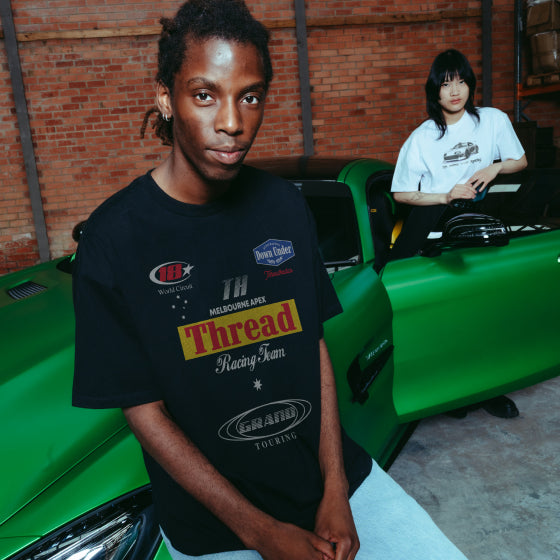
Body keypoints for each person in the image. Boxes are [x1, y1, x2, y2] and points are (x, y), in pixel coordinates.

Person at [72, 3, 469, 559]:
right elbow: (144, 410)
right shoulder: (113, 239)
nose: (232, 122)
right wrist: (259, 532)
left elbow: (313, 346)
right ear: (165, 96)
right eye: (205, 95)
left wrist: (336, 488)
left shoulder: (284, 205)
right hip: (215, 528)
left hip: (335, 484)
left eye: (250, 97)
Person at [390, 49, 527, 419]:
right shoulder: (421, 138)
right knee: (446, 311)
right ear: (434, 91)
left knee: (487, 308)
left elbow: (521, 161)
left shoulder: (493, 121)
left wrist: (495, 167)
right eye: (446, 84)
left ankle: (490, 388)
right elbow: (401, 193)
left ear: (470, 85)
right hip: (436, 222)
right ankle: (451, 390)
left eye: (461, 82)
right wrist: (445, 196)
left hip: (480, 221)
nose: (454, 91)